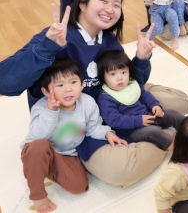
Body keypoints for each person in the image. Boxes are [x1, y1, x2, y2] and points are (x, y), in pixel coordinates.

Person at [0, 0, 188, 188]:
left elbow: (127, 80)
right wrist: (46, 47)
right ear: (82, 3)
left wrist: (141, 59)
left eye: (116, 5)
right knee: (122, 170)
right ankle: (164, 138)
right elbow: (5, 83)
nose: (110, 9)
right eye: (104, 1)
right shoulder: (56, 36)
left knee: (182, 102)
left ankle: (157, 132)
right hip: (80, 120)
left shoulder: (108, 39)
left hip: (113, 99)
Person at [21, 58, 127, 213]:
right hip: (37, 149)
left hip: (66, 154)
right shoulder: (41, 108)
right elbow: (38, 136)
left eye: (73, 82)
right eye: (60, 85)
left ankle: (45, 168)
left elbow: (93, 127)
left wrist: (108, 133)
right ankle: (37, 194)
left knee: (79, 187)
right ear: (45, 91)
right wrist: (51, 111)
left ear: (82, 85)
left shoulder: (88, 103)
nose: (68, 89)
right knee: (39, 146)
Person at [96, 50, 184, 151]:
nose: (120, 78)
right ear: (103, 76)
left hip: (147, 115)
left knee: (171, 114)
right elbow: (114, 120)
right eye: (113, 74)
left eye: (124, 72)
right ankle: (174, 147)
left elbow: (145, 95)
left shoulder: (132, 83)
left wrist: (155, 105)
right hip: (131, 130)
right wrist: (138, 121)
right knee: (153, 132)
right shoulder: (105, 97)